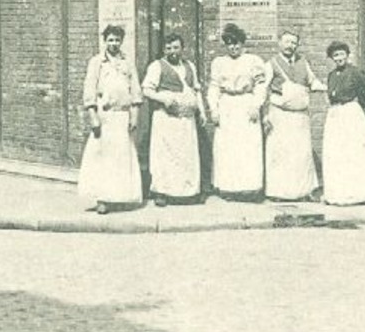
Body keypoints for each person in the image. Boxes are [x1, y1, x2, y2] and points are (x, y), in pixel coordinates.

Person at [76, 24, 142, 214]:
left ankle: (119, 197)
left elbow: (135, 90)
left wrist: (134, 116)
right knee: (102, 159)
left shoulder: (127, 62)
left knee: (121, 159)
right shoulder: (97, 62)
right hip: (104, 118)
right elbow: (89, 90)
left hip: (122, 117)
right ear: (104, 41)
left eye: (117, 40)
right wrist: (93, 116)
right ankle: (102, 198)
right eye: (110, 40)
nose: (114, 43)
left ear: (122, 41)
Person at [140, 32, 204, 205]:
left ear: (182, 48)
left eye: (176, 47)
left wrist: (202, 111)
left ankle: (188, 192)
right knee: (165, 156)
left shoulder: (189, 65)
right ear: (164, 49)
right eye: (168, 48)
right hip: (166, 119)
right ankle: (162, 192)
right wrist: (164, 98)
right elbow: (146, 89)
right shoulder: (157, 66)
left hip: (186, 120)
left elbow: (196, 90)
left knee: (186, 155)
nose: (172, 51)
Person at [264, 31, 327, 201]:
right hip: (280, 116)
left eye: (293, 43)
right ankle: (279, 193)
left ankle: (303, 192)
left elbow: (312, 81)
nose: (290, 46)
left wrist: (326, 88)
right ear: (279, 43)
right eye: (286, 42)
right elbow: (263, 89)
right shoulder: (271, 64)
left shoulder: (303, 62)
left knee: (301, 154)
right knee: (281, 154)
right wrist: (265, 115)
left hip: (300, 117)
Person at [207, 23, 267, 199]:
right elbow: (214, 87)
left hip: (245, 104)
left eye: (236, 43)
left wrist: (256, 105)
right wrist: (214, 109)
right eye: (229, 44)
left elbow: (261, 85)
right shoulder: (219, 62)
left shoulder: (253, 61)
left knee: (247, 147)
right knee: (227, 148)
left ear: (242, 44)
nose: (233, 47)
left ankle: (248, 188)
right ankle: (229, 188)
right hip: (227, 106)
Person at [322, 40, 365, 205]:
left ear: (347, 55)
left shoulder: (355, 73)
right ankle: (339, 193)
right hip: (335, 115)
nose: (338, 58)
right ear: (332, 58)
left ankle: (361, 194)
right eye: (335, 55)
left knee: (353, 152)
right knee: (337, 154)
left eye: (341, 54)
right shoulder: (331, 75)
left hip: (351, 114)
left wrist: (354, 111)